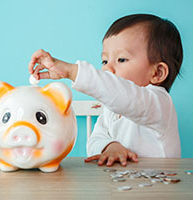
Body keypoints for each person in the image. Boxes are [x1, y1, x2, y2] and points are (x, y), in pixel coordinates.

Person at [28, 14, 183, 167]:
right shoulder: (111, 109)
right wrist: (110, 146)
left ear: (157, 73)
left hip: (161, 190)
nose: (107, 68)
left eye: (121, 59)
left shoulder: (159, 104)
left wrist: (72, 72)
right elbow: (95, 140)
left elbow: (123, 96)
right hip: (126, 188)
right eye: (104, 61)